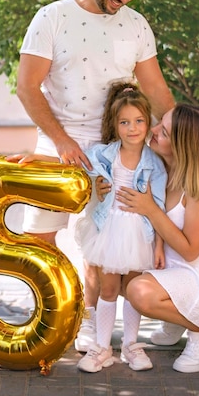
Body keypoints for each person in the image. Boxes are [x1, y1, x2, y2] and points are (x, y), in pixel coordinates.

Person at [8, 0, 175, 352]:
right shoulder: (52, 17)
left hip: (112, 148)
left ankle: (88, 325)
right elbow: (27, 86)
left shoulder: (136, 25)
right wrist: (61, 140)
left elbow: (153, 87)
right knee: (42, 239)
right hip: (57, 142)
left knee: (99, 244)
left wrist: (184, 135)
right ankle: (46, 319)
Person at [112, 103, 199, 373]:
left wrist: (150, 208)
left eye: (165, 133)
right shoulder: (158, 168)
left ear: (184, 146)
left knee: (138, 291)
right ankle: (178, 319)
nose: (154, 130)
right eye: (161, 123)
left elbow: (191, 250)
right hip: (175, 273)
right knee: (120, 276)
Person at [74, 82, 167, 373]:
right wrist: (96, 187)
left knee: (132, 288)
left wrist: (160, 245)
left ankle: (130, 345)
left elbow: (160, 206)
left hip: (140, 232)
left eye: (139, 121)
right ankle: (102, 346)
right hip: (109, 228)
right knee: (109, 287)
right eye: (125, 122)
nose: (133, 128)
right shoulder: (103, 154)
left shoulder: (155, 163)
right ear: (115, 125)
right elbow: (84, 173)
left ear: (148, 122)